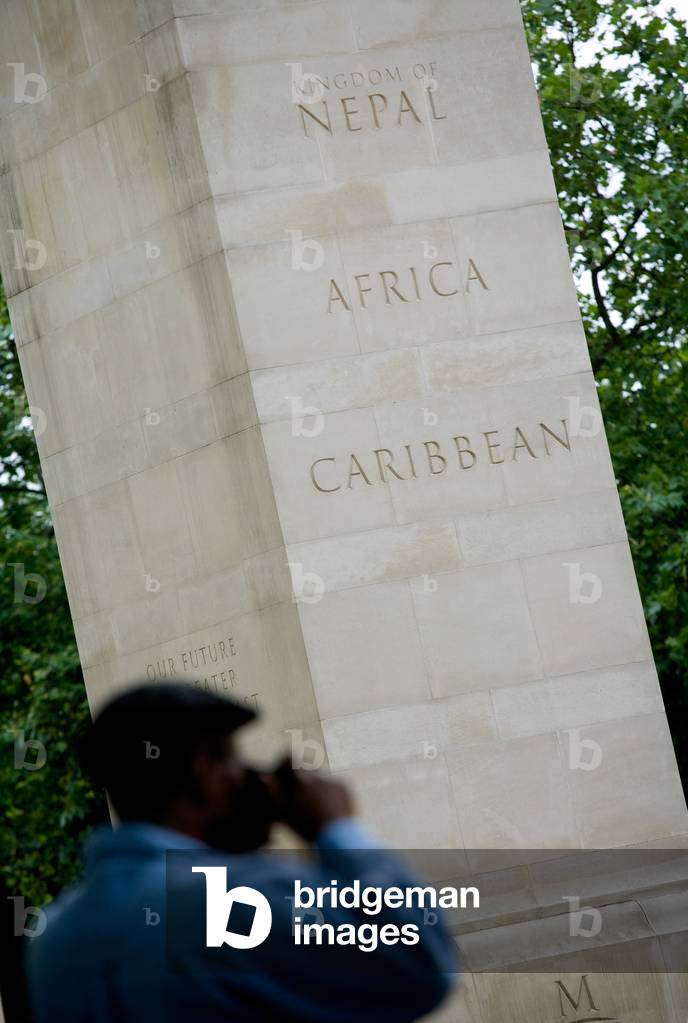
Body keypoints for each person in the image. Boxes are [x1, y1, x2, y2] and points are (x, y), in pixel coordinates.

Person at [26, 683, 459, 1022]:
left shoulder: (56, 935)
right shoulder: (233, 898)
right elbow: (421, 964)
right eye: (235, 762)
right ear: (203, 771)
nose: (248, 780)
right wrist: (335, 830)